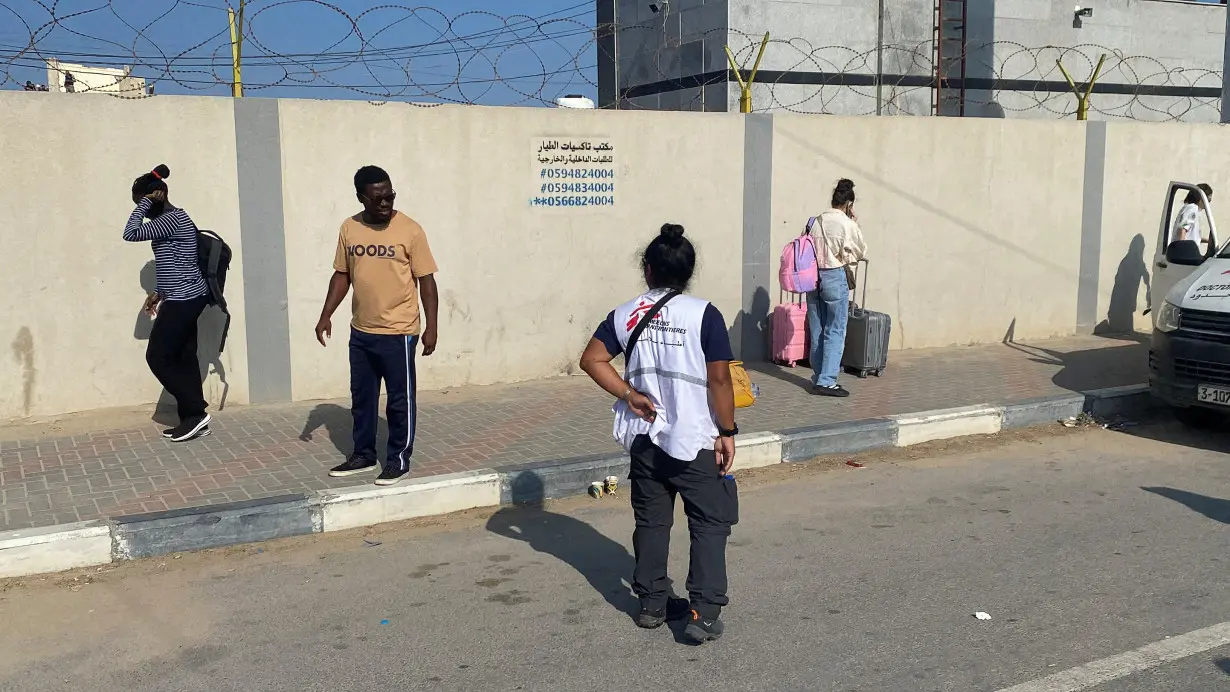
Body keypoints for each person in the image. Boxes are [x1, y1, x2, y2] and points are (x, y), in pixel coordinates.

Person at [579, 223, 740, 644]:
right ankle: (703, 611)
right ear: (688, 271)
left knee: (652, 521)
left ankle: (651, 603)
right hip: (693, 438)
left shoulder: (626, 313)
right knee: (709, 520)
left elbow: (592, 359)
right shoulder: (704, 314)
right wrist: (727, 431)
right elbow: (720, 381)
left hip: (645, 436)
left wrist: (628, 394)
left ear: (647, 269)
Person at [315, 165, 439, 486]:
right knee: (363, 398)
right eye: (377, 198)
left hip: (399, 334)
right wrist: (326, 314)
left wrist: (432, 327)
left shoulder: (410, 230)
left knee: (399, 401)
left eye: (389, 196)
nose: (385, 204)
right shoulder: (349, 228)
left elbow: (426, 281)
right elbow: (342, 275)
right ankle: (363, 455)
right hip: (362, 333)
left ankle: (398, 460)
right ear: (361, 198)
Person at [123, 164, 213, 442]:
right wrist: (159, 292)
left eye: (143, 202)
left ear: (156, 197)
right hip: (184, 295)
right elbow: (174, 260)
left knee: (158, 357)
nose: (142, 208)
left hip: (184, 300)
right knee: (184, 358)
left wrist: (145, 203)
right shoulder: (172, 221)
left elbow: (130, 233)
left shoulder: (170, 220)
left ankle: (197, 412)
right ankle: (192, 419)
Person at [807, 178, 868, 398]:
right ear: (849, 204)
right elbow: (860, 251)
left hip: (812, 277)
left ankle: (818, 375)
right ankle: (827, 380)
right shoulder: (847, 224)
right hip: (834, 275)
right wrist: (855, 223)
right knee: (835, 329)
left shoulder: (815, 221)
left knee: (817, 328)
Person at [1173, 183, 1213, 248]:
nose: (1208, 203)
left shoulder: (1189, 208)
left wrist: (1207, 241)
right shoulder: (1192, 209)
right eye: (1208, 199)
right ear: (1201, 198)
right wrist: (1181, 249)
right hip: (1186, 253)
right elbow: (1183, 228)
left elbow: (1191, 237)